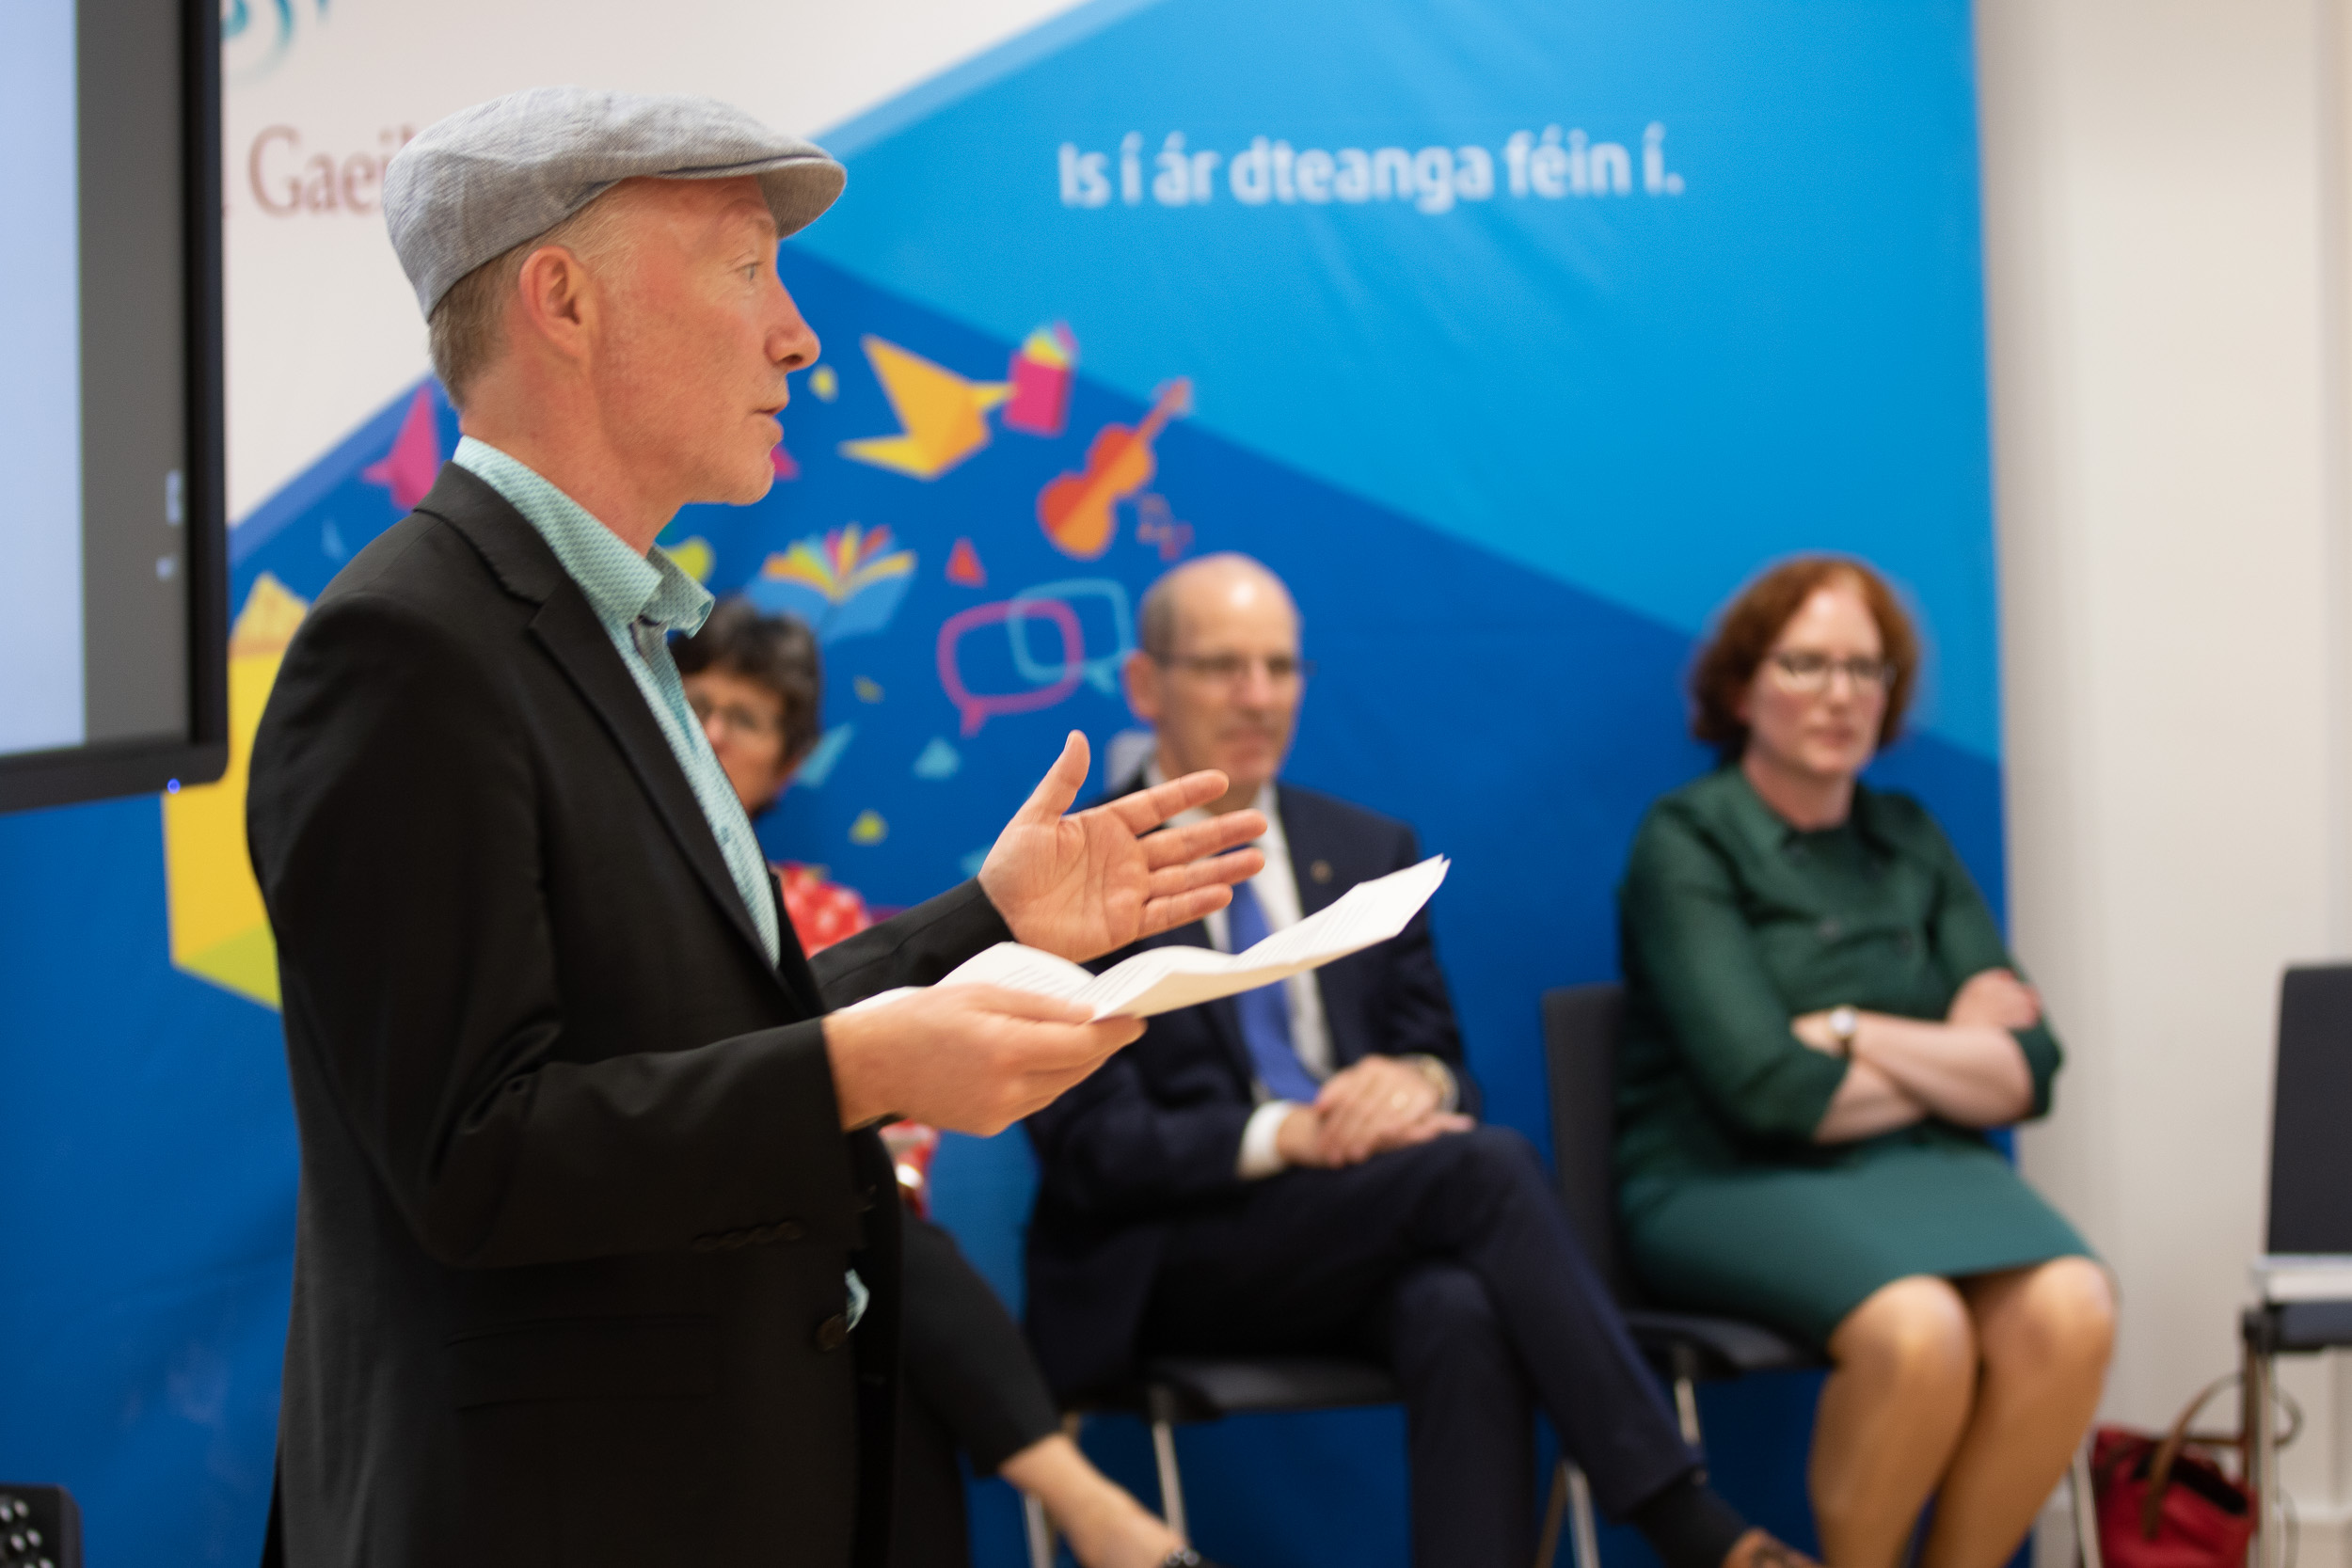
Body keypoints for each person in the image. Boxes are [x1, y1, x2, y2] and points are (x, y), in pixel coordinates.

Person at [246, 88, 1265, 1568]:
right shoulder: (407, 649)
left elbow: (693, 1039)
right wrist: (872, 1065)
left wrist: (984, 919)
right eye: (747, 268)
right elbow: (477, 1156)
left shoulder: (612, 633)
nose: (799, 336)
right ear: (563, 300)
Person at [1024, 554, 1816, 1568]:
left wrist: (1416, 1083)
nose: (1258, 696)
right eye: (1223, 666)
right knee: (1483, 1168)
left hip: (1354, 1224)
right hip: (1168, 1254)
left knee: (1459, 1303)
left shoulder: (1365, 849)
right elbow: (1091, 1148)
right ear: (1146, 684)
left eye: (1280, 666)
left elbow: (1444, 1063)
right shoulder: (1078, 874)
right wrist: (1287, 1132)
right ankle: (1685, 1522)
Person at [1614, 556, 2116, 1568]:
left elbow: (2031, 1068)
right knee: (1918, 1331)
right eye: (1805, 663)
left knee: (2074, 1305)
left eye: (1864, 668)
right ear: (1742, 685)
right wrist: (1951, 1051)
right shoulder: (1687, 839)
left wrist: (1851, 1030)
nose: (1839, 694)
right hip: (1720, 1174)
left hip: (1920, 1167)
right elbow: (1767, 1093)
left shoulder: (1907, 833)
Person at [675, 600, 1199, 1568]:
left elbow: (904, 1113)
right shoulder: (636, 898)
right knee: (881, 1257)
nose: (712, 732)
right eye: (694, 702)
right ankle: (1087, 1503)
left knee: (882, 1310)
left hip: (827, 1220)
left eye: (743, 717)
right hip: (691, 1208)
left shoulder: (822, 908)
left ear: (787, 761)